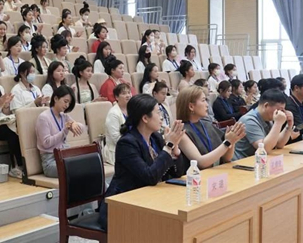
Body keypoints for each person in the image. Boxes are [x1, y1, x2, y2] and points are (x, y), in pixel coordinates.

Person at [97, 94, 185, 231]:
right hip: (122, 205)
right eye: (157, 112)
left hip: (148, 199)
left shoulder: (155, 137)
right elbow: (150, 176)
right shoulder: (127, 143)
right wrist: (168, 147)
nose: (161, 116)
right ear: (145, 118)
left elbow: (178, 172)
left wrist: (176, 147)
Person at [177, 86, 246, 168]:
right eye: (203, 100)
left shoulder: (208, 124)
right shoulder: (180, 132)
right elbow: (200, 163)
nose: (207, 105)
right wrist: (227, 142)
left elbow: (226, 158)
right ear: (191, 106)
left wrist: (232, 141)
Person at [36, 86, 84, 178]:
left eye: (69, 103)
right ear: (56, 98)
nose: (67, 105)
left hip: (65, 156)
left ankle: (106, 190)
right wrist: (64, 131)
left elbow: (82, 129)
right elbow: (46, 143)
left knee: (88, 164)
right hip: (50, 161)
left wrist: (74, 123)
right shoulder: (43, 117)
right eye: (65, 101)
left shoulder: (64, 116)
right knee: (77, 169)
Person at [234, 89, 296, 159]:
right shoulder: (248, 120)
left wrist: (289, 126)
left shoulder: (267, 117)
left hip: (258, 160)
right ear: (266, 105)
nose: (281, 113)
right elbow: (264, 149)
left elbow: (279, 144)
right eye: (279, 110)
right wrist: (278, 123)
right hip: (242, 163)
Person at [104, 83, 133, 165]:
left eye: (129, 92)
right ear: (116, 97)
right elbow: (117, 139)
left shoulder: (133, 110)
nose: (128, 95)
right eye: (124, 93)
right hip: (117, 151)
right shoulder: (113, 114)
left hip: (132, 148)